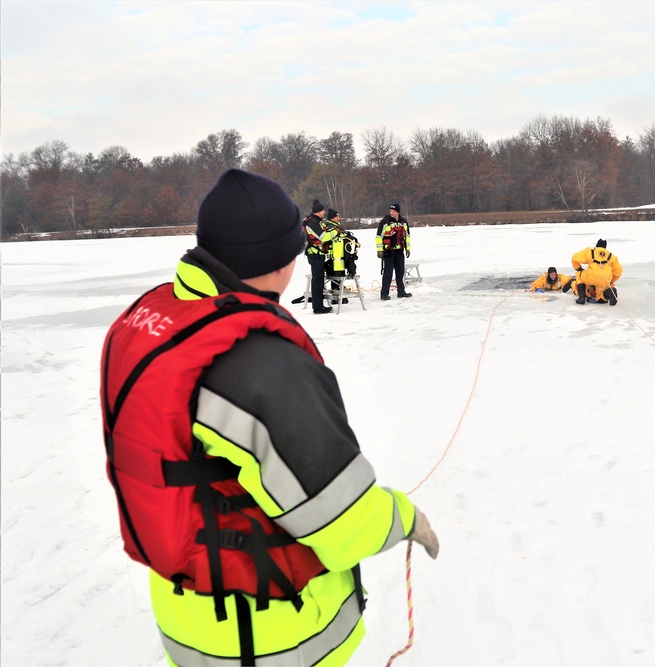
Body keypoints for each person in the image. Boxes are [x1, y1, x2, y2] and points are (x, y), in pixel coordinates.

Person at [98, 169, 439, 667]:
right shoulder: (261, 366)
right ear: (280, 260)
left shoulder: (146, 321)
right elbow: (339, 521)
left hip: (187, 617)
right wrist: (405, 518)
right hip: (269, 629)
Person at [375, 203, 411, 301]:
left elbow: (407, 236)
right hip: (388, 251)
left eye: (393, 211)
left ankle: (401, 292)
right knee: (388, 273)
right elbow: (378, 237)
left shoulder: (403, 222)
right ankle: (384, 294)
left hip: (399, 251)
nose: (391, 213)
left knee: (400, 272)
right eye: (390, 211)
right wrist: (379, 250)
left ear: (397, 212)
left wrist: (408, 248)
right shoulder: (384, 222)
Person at [571, 239, 622, 305]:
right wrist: (611, 281)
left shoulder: (590, 251)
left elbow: (574, 258)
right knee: (600, 299)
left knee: (578, 275)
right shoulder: (612, 256)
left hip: (591, 277)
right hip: (604, 280)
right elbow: (618, 270)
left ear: (597, 245)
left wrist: (578, 268)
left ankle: (582, 297)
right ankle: (611, 293)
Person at [304, 198, 332, 314]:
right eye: (323, 210)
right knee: (317, 281)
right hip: (315, 256)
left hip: (318, 254)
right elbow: (323, 237)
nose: (324, 212)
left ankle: (318, 304)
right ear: (318, 211)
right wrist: (334, 232)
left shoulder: (315, 221)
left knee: (319, 280)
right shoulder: (313, 223)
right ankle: (318, 307)